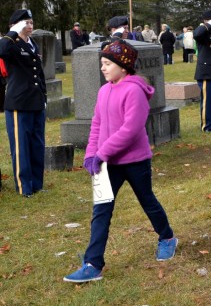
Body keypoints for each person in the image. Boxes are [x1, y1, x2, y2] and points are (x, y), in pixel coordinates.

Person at [63, 40, 177, 283]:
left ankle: (167, 237)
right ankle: (93, 263)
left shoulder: (134, 90)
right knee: (101, 211)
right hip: (107, 163)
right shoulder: (104, 90)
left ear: (123, 66)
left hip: (135, 162)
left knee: (148, 201)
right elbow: (97, 125)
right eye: (102, 64)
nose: (103, 68)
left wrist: (102, 153)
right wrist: (90, 154)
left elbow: (131, 130)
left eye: (107, 64)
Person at [0, 9, 46, 197]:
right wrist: (12, 32)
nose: (30, 26)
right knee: (21, 147)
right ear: (15, 25)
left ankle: (37, 183)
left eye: (31, 22)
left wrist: (44, 97)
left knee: (37, 144)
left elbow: (38, 73)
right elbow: (1, 50)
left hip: (35, 101)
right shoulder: (11, 44)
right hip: (19, 102)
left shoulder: (32, 44)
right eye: (25, 23)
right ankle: (24, 186)